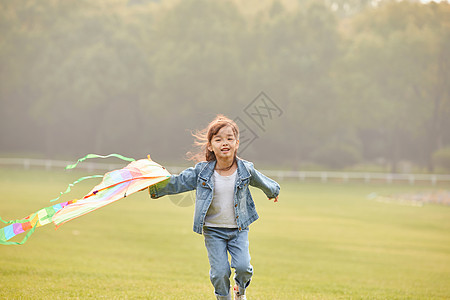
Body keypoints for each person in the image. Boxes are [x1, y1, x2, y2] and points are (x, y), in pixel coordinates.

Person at [149, 115, 280, 300]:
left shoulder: (245, 169)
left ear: (236, 143)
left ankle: (240, 291)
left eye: (229, 138)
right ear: (210, 145)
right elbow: (178, 182)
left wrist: (273, 192)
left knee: (243, 268)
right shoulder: (201, 172)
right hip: (213, 230)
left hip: (239, 229)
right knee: (219, 273)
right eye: (218, 139)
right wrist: (154, 186)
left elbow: (262, 181)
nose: (224, 142)